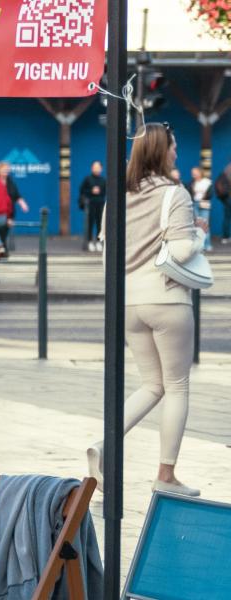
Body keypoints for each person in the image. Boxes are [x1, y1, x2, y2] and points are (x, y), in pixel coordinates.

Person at [87, 122, 207, 498]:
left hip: (128, 302)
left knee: (151, 385)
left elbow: (108, 255)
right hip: (166, 298)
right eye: (172, 146)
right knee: (176, 386)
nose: (176, 152)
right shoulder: (175, 194)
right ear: (160, 150)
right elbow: (183, 250)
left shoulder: (115, 196)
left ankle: (103, 445)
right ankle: (166, 475)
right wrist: (199, 232)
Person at [0, 161, 29, 251]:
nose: (6, 171)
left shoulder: (11, 182)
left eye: (7, 169)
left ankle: (2, 251)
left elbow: (17, 195)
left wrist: (23, 204)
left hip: (9, 212)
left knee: (4, 232)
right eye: (4, 169)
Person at [78, 160, 107, 252]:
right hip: (90, 204)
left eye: (98, 167)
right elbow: (82, 190)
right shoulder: (87, 179)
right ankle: (90, 242)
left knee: (100, 224)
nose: (96, 169)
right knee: (90, 224)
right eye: (95, 167)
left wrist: (100, 192)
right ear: (92, 168)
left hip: (100, 204)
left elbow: (106, 191)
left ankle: (99, 242)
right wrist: (91, 191)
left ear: (101, 169)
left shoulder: (103, 180)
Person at [189, 166, 213, 251]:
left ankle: (207, 244)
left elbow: (211, 193)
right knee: (197, 224)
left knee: (205, 223)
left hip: (204, 203)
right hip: (195, 203)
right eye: (192, 173)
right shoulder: (192, 182)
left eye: (195, 173)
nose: (193, 175)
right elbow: (190, 192)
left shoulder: (207, 182)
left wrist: (204, 196)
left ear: (200, 172)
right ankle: (200, 245)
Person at [213, 159, 231, 244]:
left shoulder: (226, 169)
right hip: (229, 196)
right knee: (227, 217)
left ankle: (225, 236)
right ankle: (226, 236)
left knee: (227, 217)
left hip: (226, 197)